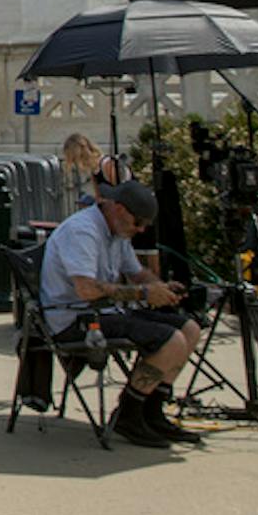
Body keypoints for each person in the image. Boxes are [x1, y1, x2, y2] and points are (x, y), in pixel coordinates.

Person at [39, 178, 203, 449]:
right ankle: (129, 412)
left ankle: (152, 410)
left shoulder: (117, 231)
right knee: (170, 340)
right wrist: (143, 294)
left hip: (107, 312)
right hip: (74, 318)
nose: (139, 230)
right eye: (137, 222)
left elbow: (136, 273)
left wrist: (159, 287)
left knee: (190, 330)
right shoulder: (83, 231)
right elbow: (86, 289)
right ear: (117, 208)